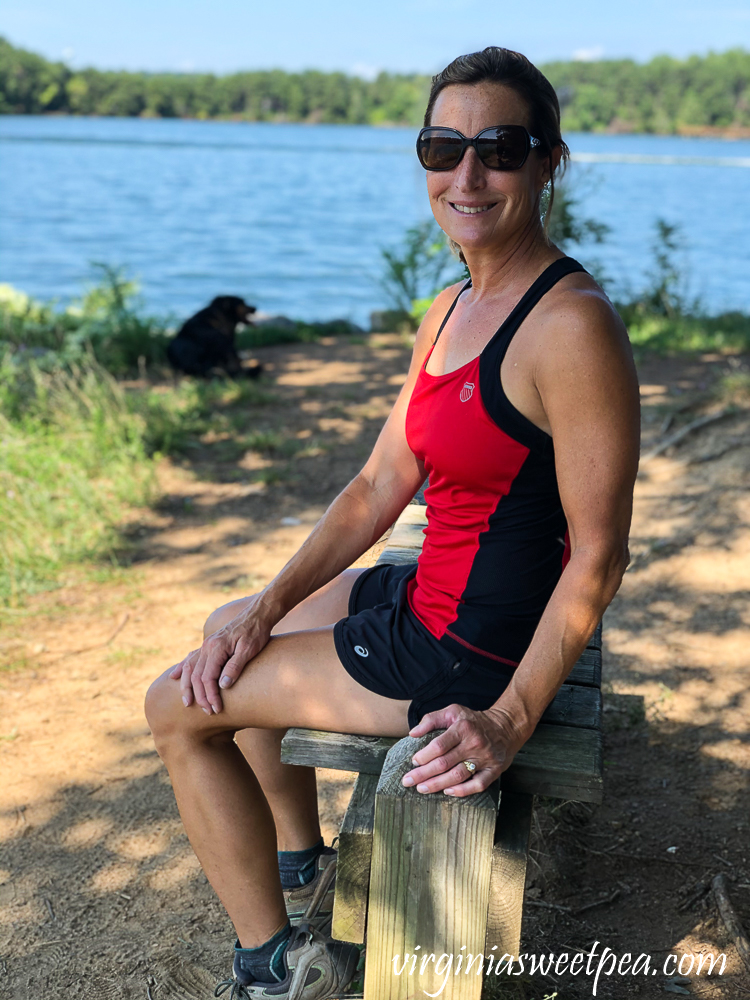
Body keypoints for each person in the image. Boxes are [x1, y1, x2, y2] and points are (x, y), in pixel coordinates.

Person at [145, 45, 640, 1000]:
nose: (467, 174)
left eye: (499, 147)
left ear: (548, 162)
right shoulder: (452, 305)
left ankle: (272, 966)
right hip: (431, 590)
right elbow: (380, 486)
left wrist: (506, 719)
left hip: (470, 650)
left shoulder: (569, 326)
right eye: (442, 146)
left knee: (176, 707)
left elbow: (599, 558)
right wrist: (267, 606)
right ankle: (297, 864)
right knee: (226, 628)